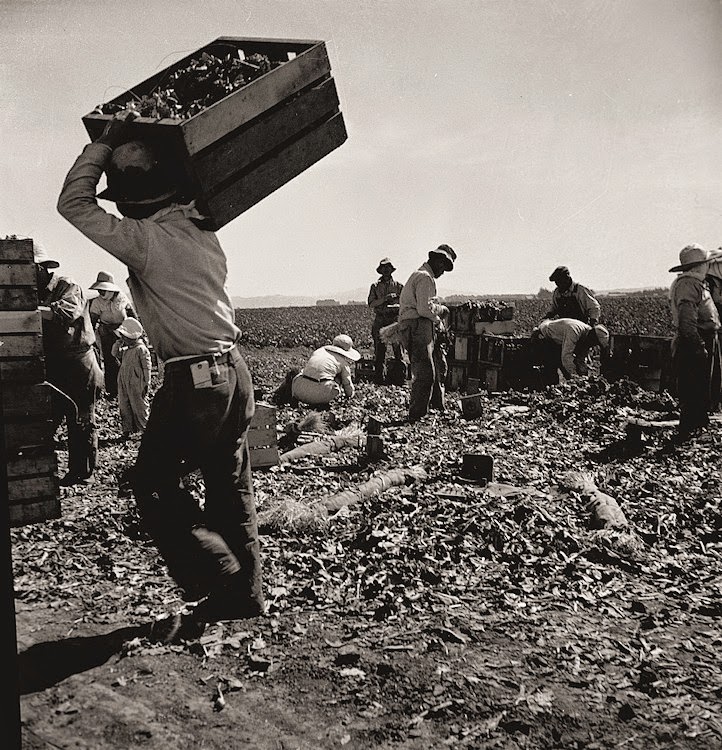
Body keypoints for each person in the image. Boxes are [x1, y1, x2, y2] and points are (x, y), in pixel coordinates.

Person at [57, 110, 264, 635]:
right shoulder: (202, 230)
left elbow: (72, 204)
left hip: (195, 379)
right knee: (228, 484)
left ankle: (213, 572)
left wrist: (104, 144)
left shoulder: (147, 240)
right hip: (235, 373)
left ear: (136, 197)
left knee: (150, 482)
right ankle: (246, 596)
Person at [35, 240, 103, 486]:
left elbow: (65, 314)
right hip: (55, 364)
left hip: (79, 362)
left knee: (81, 418)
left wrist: (28, 312)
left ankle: (83, 473)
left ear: (42, 268)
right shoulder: (35, 292)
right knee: (51, 416)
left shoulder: (68, 285)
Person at [668, 244, 722, 440]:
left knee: (702, 385)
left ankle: (698, 425)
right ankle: (690, 429)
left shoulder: (697, 283)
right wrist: (698, 345)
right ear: (699, 266)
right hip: (695, 340)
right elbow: (686, 321)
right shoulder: (688, 285)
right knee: (694, 385)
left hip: (703, 338)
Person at [398, 244, 456, 421]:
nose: (442, 273)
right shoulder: (425, 278)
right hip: (417, 326)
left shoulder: (421, 275)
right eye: (443, 269)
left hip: (416, 325)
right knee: (425, 373)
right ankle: (417, 414)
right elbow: (424, 309)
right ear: (439, 262)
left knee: (430, 370)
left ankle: (429, 407)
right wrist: (441, 310)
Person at [88, 270, 136, 399]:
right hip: (107, 333)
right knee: (110, 361)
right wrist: (91, 338)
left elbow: (132, 316)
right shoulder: (97, 302)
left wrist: (136, 333)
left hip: (124, 332)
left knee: (127, 359)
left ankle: (128, 388)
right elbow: (92, 320)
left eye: (103, 290)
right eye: (99, 290)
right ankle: (113, 391)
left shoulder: (122, 298)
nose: (101, 293)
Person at [532, 318, 610, 385]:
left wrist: (584, 374)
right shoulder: (574, 332)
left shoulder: (587, 337)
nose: (593, 345)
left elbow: (581, 359)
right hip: (547, 333)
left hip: (560, 341)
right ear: (593, 337)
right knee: (553, 367)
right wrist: (575, 376)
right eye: (595, 342)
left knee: (570, 370)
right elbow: (566, 357)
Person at [291, 334, 360, 407]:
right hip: (322, 394)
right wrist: (350, 396)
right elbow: (347, 383)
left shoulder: (319, 351)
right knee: (339, 377)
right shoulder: (343, 362)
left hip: (299, 389)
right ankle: (321, 403)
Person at [111, 316, 152, 439]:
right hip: (124, 380)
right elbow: (114, 353)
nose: (123, 338)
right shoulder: (127, 350)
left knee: (139, 405)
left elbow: (147, 367)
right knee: (124, 404)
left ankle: (144, 429)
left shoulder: (141, 349)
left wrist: (146, 383)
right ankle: (127, 429)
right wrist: (118, 342)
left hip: (136, 381)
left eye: (125, 336)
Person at [367, 258, 403, 382]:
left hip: (394, 320)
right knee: (379, 351)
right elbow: (371, 303)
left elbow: (405, 303)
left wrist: (395, 304)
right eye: (384, 267)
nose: (386, 269)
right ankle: (379, 379)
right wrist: (384, 299)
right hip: (380, 320)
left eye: (388, 267)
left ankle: (400, 378)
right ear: (381, 270)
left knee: (398, 350)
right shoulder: (375, 286)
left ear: (391, 270)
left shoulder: (399, 286)